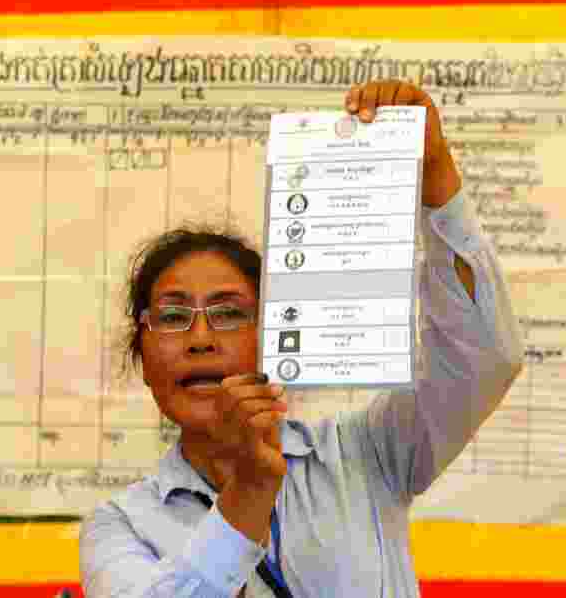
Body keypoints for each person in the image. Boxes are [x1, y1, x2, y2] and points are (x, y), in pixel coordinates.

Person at [79, 80, 523, 597]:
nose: (199, 337)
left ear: (273, 334)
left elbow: (485, 358)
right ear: (142, 350)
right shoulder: (120, 526)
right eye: (174, 316)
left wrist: (436, 179)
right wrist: (250, 487)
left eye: (227, 313)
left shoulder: (364, 452)